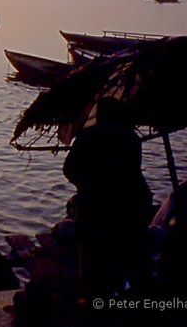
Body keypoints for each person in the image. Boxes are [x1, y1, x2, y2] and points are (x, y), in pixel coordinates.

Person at [63, 97, 153, 299]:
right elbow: (132, 172)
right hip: (129, 205)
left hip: (96, 206)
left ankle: (92, 300)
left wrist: (87, 185)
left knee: (92, 254)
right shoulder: (131, 138)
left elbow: (69, 169)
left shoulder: (88, 136)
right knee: (121, 253)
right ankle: (119, 294)